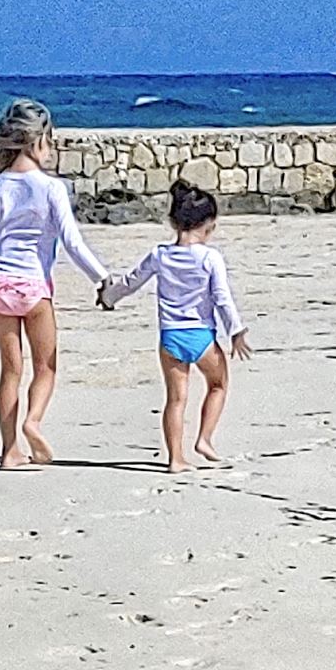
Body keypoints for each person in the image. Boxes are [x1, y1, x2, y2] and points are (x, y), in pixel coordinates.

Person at [0, 98, 109, 470]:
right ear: (36, 141)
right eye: (50, 141)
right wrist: (103, 280)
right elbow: (72, 242)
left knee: (11, 369)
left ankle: (10, 450)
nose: (52, 149)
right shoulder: (52, 188)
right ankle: (33, 421)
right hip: (35, 289)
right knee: (46, 367)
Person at [100, 180, 252, 472]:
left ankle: (175, 459)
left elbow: (131, 282)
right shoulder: (210, 257)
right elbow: (221, 298)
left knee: (176, 399)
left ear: (173, 221)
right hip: (201, 336)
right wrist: (236, 331)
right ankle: (204, 439)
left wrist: (109, 297)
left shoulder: (160, 255)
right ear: (209, 225)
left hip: (170, 337)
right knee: (218, 384)